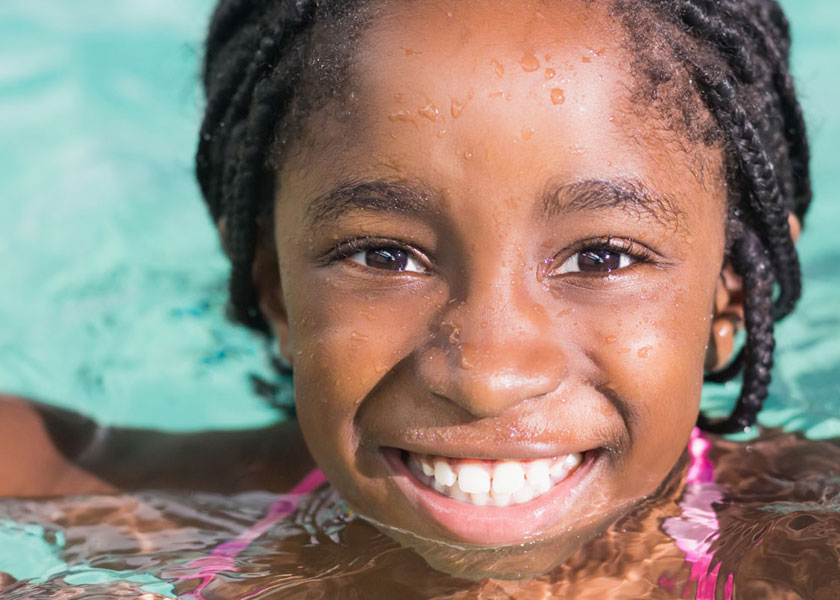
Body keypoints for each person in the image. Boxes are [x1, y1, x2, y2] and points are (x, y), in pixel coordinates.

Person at [0, 0, 822, 590]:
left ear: (733, 298)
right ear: (274, 290)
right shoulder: (141, 516)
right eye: (385, 255)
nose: (487, 374)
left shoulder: (803, 551)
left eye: (602, 257)